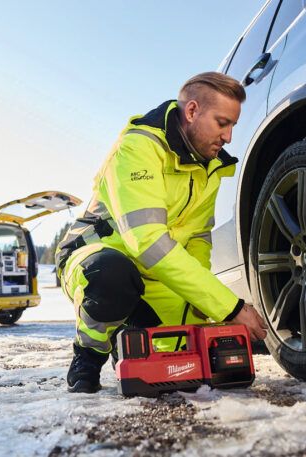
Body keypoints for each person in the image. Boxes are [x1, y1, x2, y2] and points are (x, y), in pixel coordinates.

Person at [55, 72, 268, 393]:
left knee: (172, 367)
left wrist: (204, 306)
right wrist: (230, 307)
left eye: (233, 126)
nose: (228, 137)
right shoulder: (138, 149)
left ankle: (125, 338)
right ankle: (89, 352)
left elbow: (197, 238)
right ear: (193, 111)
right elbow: (147, 243)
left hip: (156, 274)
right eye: (222, 123)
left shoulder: (209, 166)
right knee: (111, 276)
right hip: (97, 258)